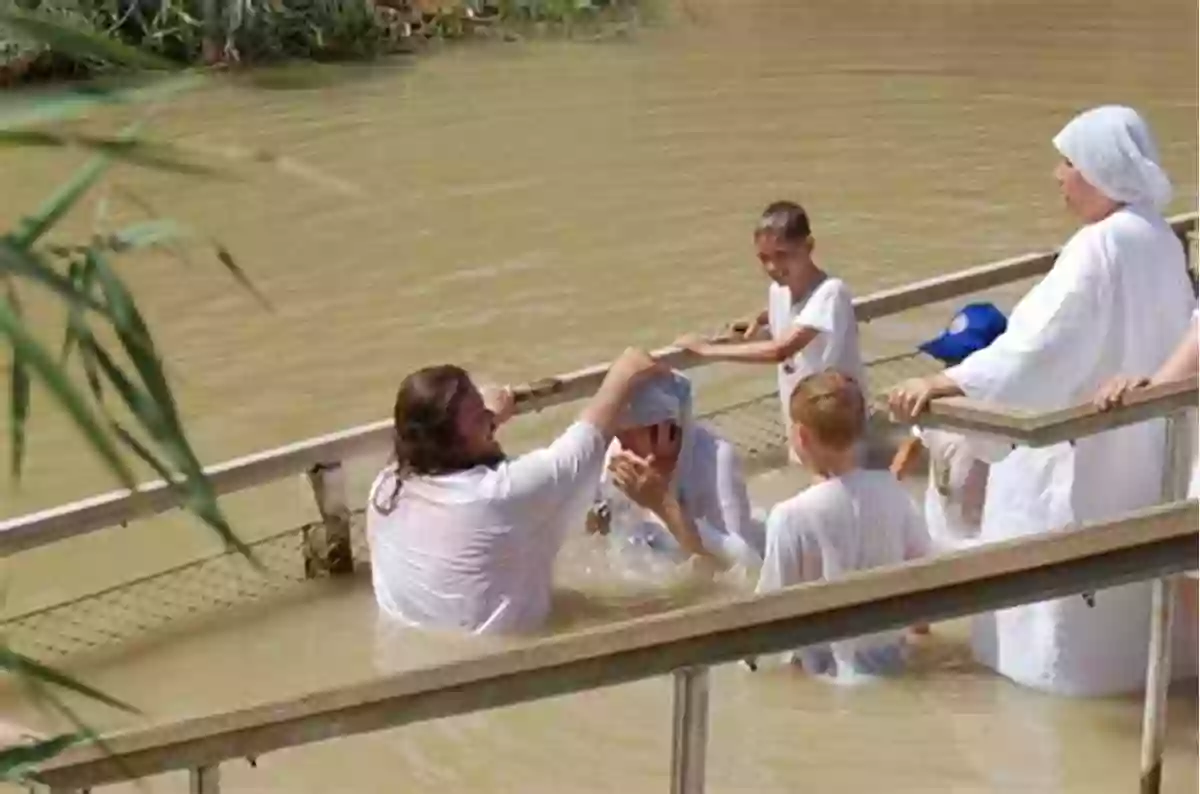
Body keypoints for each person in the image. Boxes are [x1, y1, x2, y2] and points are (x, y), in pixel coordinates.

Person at [887, 105, 1195, 696]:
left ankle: (1058, 700)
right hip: (1151, 442)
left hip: (1088, 444)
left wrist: (954, 382)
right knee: (1138, 592)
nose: (1058, 175)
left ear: (1099, 169)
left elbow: (1040, 342)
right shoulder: (1158, 235)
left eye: (1067, 162)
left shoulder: (1098, 245)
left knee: (1059, 618)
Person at [365, 347, 664, 635]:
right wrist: (628, 368)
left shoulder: (385, 487)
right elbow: (588, 438)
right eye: (476, 415)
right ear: (450, 441)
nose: (486, 413)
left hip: (415, 651)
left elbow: (441, 453)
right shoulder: (501, 495)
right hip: (505, 664)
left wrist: (487, 420)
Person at [753, 370, 932, 678]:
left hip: (823, 672)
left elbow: (769, 613)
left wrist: (749, 663)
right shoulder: (894, 493)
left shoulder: (790, 515)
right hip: (891, 662)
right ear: (862, 429)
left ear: (801, 436)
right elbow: (923, 590)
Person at [675, 200, 866, 462]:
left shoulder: (831, 293)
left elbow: (782, 349)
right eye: (764, 258)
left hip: (838, 426)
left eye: (782, 255)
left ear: (808, 247)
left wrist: (707, 350)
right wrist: (747, 332)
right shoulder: (779, 292)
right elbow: (780, 335)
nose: (772, 268)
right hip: (801, 422)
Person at [586, 370, 764, 567]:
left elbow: (746, 564)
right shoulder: (618, 450)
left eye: (630, 433)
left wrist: (663, 505)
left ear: (666, 428)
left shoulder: (716, 458)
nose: (622, 443)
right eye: (617, 434)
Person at [890, 303, 1007, 553]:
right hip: (937, 538)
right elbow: (915, 442)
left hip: (984, 544)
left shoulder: (1005, 421)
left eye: (960, 362)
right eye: (947, 361)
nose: (950, 373)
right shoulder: (937, 406)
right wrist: (888, 485)